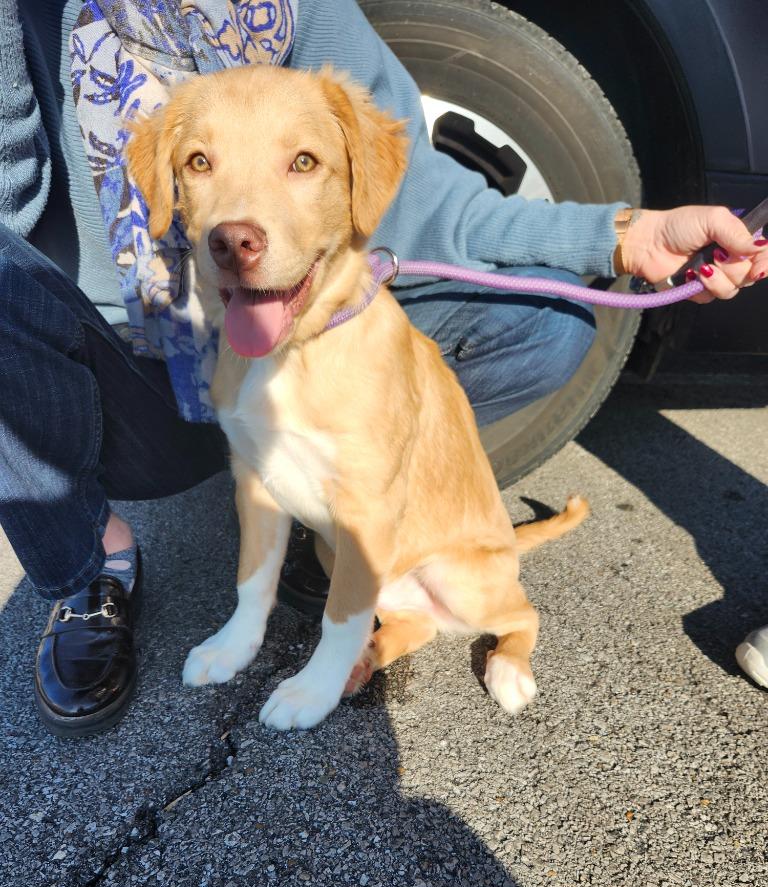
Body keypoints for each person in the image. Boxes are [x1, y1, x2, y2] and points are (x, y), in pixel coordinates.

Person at [2, 0, 765, 737]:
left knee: (542, 338)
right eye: (200, 162)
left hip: (295, 347)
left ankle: (404, 613)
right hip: (131, 359)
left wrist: (626, 235)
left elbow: (437, 202)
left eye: (300, 161)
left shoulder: (295, 11)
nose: (243, 219)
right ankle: (89, 568)